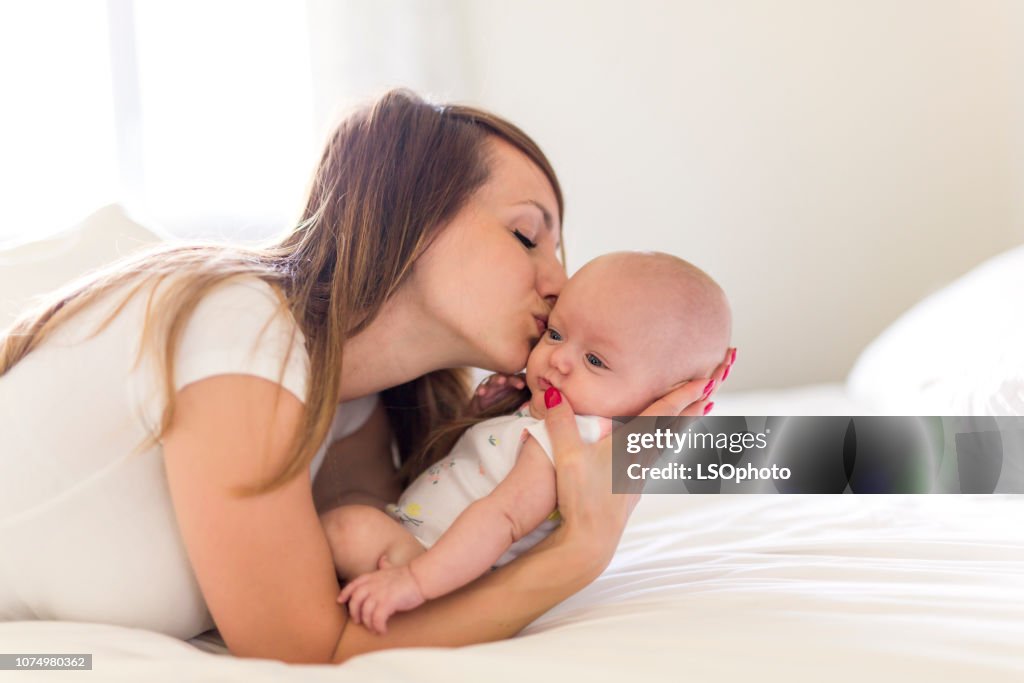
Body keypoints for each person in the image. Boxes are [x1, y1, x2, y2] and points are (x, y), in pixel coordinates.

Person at [0, 89, 735, 664]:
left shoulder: (357, 410)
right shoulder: (242, 327)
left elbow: (383, 595)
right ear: (410, 217)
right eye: (525, 234)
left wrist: (644, 433)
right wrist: (578, 557)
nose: (559, 281)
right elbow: (309, 647)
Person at [323, 251, 732, 634]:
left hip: (436, 566)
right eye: (556, 333)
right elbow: (471, 470)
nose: (559, 358)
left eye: (595, 360)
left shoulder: (570, 443)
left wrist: (416, 580)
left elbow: (504, 518)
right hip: (424, 547)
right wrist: (486, 411)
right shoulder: (548, 417)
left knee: (347, 528)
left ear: (660, 398)